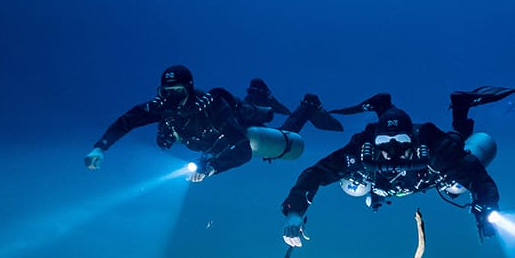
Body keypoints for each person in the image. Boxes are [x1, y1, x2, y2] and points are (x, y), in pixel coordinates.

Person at [279, 88, 515, 246]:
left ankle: (461, 107)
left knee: (456, 186)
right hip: (382, 183)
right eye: (384, 142)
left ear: (412, 140)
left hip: (427, 174)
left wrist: (486, 207)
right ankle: (382, 105)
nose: (392, 151)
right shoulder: (361, 151)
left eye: (401, 142)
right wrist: (295, 212)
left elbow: (478, 177)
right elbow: (316, 173)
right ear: (375, 141)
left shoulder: (434, 149)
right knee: (353, 188)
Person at [84, 65, 341, 179]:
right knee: (244, 109)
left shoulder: (212, 108)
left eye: (178, 93)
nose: (171, 100)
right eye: (166, 93)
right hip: (206, 144)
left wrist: (212, 168)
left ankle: (307, 106)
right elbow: (126, 121)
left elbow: (241, 152)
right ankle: (259, 92)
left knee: (276, 140)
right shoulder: (161, 107)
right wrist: (100, 147)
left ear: (189, 88)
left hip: (233, 135)